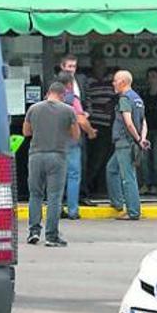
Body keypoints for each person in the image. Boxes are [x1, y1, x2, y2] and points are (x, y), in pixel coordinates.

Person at [23, 82, 79, 247]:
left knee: (35, 195)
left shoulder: (34, 108)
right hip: (58, 156)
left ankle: (33, 232)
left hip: (36, 155)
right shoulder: (68, 110)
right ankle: (51, 235)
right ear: (62, 95)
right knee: (54, 196)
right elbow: (75, 135)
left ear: (48, 93)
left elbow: (26, 132)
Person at [107, 70, 149, 220]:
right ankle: (117, 203)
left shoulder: (124, 98)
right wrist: (143, 138)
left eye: (115, 81)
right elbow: (144, 122)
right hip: (131, 142)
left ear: (123, 82)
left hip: (125, 142)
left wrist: (138, 139)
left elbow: (128, 122)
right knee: (112, 169)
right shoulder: (138, 99)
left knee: (128, 177)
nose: (113, 83)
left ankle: (133, 211)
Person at [55, 72, 97, 220]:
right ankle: (72, 210)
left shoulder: (50, 100)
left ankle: (57, 209)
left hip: (55, 143)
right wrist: (91, 132)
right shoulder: (73, 99)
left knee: (57, 177)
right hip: (72, 142)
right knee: (73, 175)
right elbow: (81, 120)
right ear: (70, 84)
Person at [85, 59, 117, 195]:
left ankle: (102, 188)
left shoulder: (111, 80)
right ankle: (88, 187)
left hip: (109, 124)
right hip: (95, 124)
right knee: (96, 158)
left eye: (102, 64)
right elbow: (87, 101)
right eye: (97, 64)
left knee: (106, 158)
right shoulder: (89, 81)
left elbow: (117, 96)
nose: (100, 67)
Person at [140, 67, 157, 195]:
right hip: (146, 130)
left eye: (154, 76)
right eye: (149, 77)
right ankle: (146, 184)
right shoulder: (144, 95)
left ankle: (156, 184)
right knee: (145, 159)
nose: (151, 79)